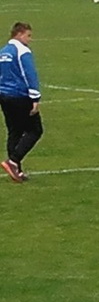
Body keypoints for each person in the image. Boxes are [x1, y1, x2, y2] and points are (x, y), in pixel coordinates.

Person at [0, 22, 42, 182]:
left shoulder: (3, 52)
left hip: (4, 96)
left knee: (15, 131)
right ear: (19, 34)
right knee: (35, 130)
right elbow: (29, 74)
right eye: (28, 35)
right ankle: (13, 161)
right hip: (19, 96)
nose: (29, 39)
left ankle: (16, 171)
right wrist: (35, 98)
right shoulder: (22, 51)